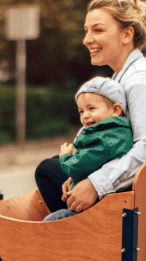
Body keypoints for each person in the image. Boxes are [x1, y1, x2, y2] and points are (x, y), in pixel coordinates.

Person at [35, 0, 146, 218]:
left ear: (127, 35)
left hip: (144, 197)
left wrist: (95, 184)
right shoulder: (124, 78)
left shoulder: (140, 81)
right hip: (139, 189)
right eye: (86, 31)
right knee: (56, 167)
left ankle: (74, 238)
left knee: (47, 170)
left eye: (98, 30)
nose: (87, 39)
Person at [44, 77, 134, 222]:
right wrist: (73, 178)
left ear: (116, 110)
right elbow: (95, 163)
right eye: (81, 111)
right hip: (105, 202)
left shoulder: (104, 139)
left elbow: (77, 164)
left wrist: (65, 157)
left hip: (97, 207)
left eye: (91, 108)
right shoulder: (117, 133)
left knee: (50, 221)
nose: (85, 115)